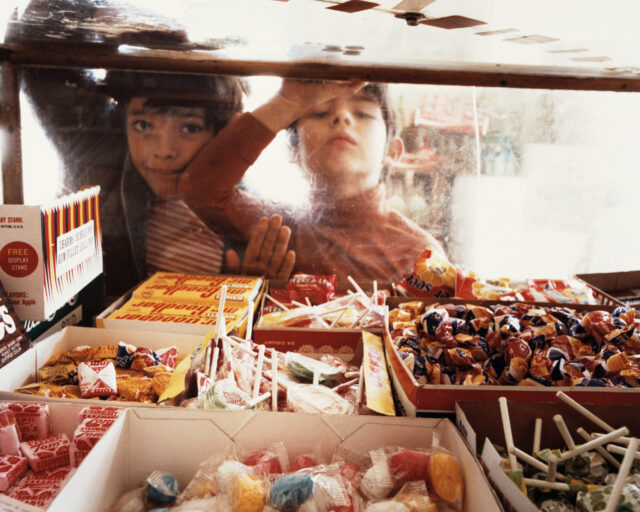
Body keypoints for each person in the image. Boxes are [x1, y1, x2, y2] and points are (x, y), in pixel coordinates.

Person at [179, 79, 446, 283]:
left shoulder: (418, 252)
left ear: (393, 151)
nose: (342, 117)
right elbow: (201, 188)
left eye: (363, 113)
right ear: (294, 150)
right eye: (319, 113)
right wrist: (286, 102)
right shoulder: (278, 229)